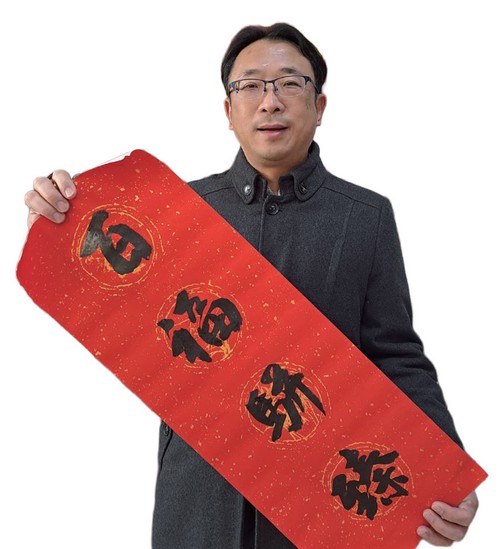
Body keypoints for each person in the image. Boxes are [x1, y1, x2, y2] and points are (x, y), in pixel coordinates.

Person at [24, 22, 478, 548]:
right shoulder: (177, 210)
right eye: (251, 85)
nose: (270, 101)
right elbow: (111, 294)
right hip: (199, 493)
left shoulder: (365, 216)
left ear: (320, 105)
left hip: (320, 501)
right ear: (228, 110)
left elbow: (396, 353)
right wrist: (58, 221)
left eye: (290, 83)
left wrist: (447, 472)